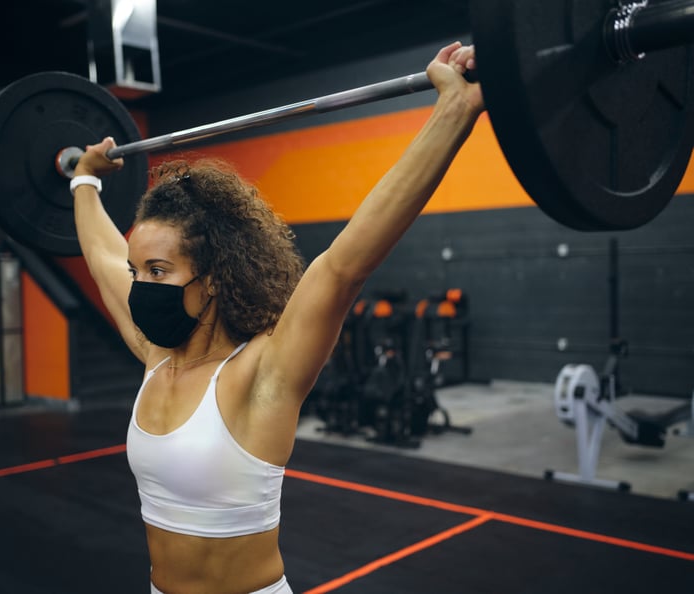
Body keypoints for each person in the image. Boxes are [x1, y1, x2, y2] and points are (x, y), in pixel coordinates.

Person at [71, 41, 483, 594]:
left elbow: (343, 267)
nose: (139, 285)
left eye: (158, 270)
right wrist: (83, 180)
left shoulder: (263, 373)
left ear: (211, 278)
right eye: (137, 269)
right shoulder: (155, 356)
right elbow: (101, 259)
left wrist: (454, 111)